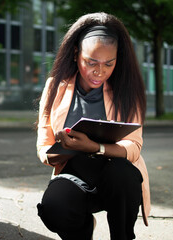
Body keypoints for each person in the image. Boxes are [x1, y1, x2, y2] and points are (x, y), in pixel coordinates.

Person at [35, 12, 150, 240]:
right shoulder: (55, 86)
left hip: (116, 176)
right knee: (53, 208)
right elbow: (43, 147)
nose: (100, 72)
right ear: (76, 53)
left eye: (109, 63)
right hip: (74, 175)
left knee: (125, 176)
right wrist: (59, 150)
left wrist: (94, 147)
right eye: (91, 62)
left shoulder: (127, 91)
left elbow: (134, 147)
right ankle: (83, 229)